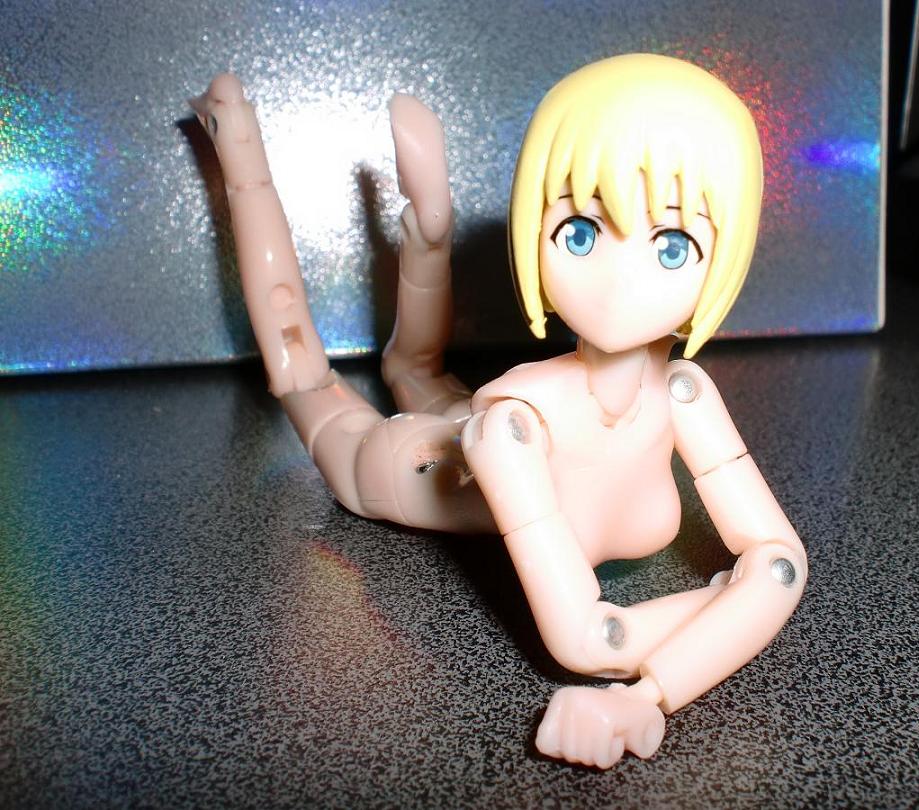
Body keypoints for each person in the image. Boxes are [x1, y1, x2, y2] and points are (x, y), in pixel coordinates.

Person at [190, 53, 806, 769]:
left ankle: (428, 229)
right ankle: (246, 152)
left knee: (417, 371)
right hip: (417, 466)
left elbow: (781, 565)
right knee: (306, 376)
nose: (618, 283)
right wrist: (715, 619)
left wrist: (651, 692)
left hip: (492, 432)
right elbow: (589, 640)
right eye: (580, 233)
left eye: (673, 245)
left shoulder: (683, 394)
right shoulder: (513, 424)